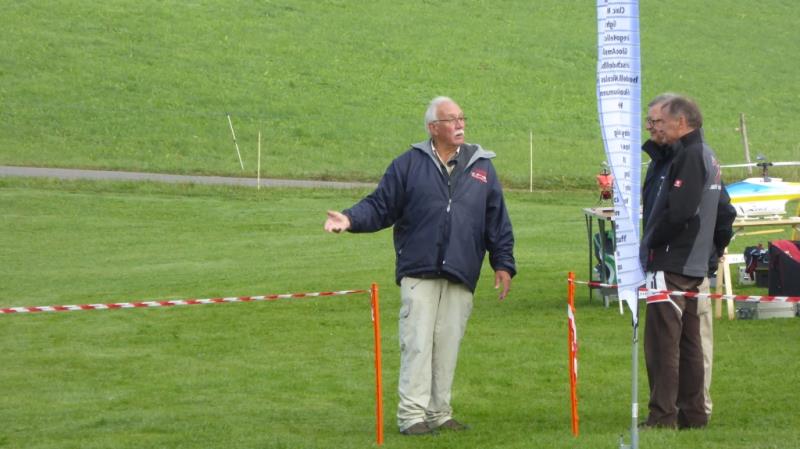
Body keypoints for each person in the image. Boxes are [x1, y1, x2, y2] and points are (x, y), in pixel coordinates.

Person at [323, 96, 516, 436]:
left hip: (461, 272)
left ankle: (439, 413)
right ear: (433, 128)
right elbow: (380, 205)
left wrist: (503, 262)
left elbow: (496, 218)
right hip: (419, 271)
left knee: (447, 346)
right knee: (417, 344)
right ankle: (412, 416)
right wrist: (349, 219)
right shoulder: (408, 164)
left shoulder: (482, 166)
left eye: (462, 118)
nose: (460, 124)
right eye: (451, 119)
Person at [639, 94, 728, 429]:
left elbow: (679, 212)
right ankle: (693, 415)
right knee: (690, 345)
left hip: (672, 264)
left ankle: (662, 416)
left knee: (662, 345)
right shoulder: (706, 154)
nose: (652, 128)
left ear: (681, 121)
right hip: (692, 265)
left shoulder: (690, 155)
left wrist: (650, 242)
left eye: (658, 122)